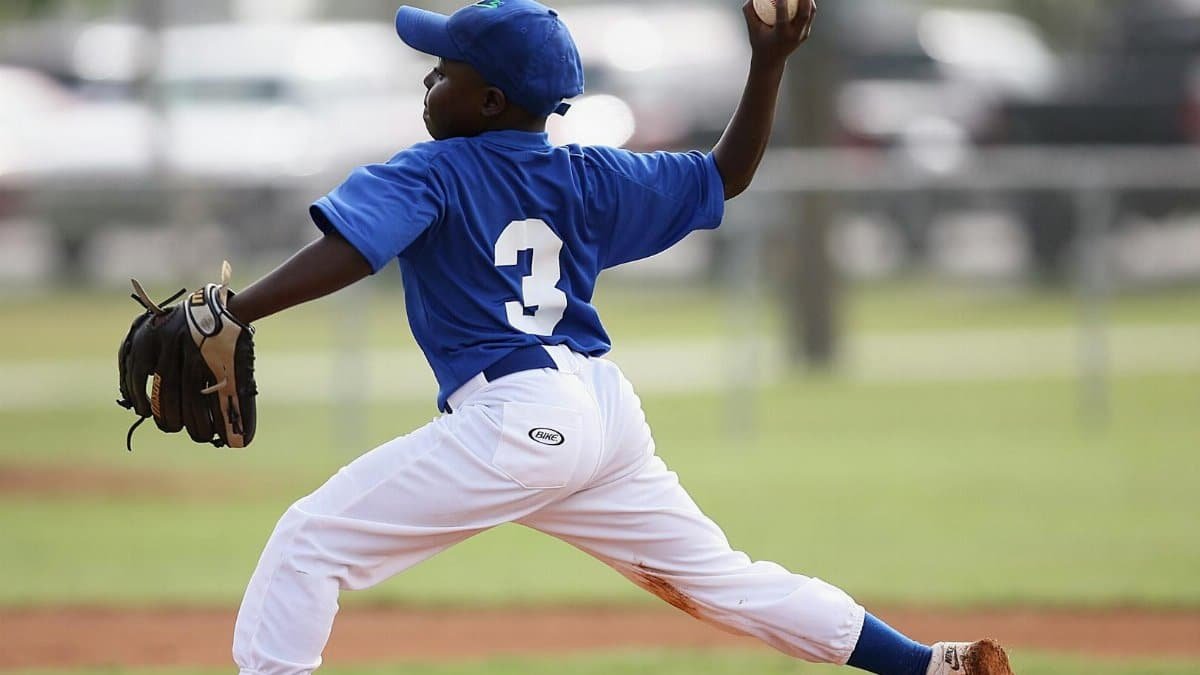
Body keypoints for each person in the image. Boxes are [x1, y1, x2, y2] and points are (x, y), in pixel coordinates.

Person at [224, 1, 1014, 674]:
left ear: (491, 100)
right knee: (720, 579)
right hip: (602, 412)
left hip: (517, 417)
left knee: (309, 544)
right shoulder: (590, 175)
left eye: (444, 69)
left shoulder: (433, 171)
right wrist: (768, 62)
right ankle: (928, 664)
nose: (428, 77)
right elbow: (725, 174)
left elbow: (352, 249)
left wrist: (236, 311)